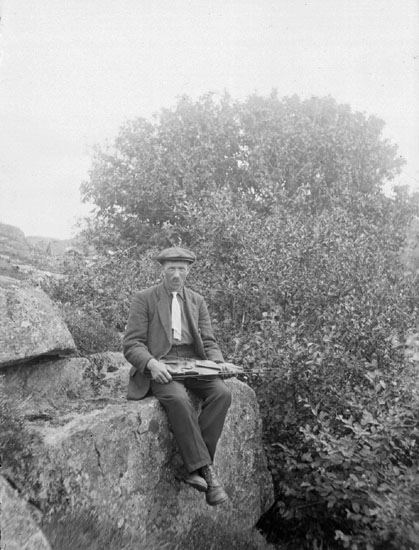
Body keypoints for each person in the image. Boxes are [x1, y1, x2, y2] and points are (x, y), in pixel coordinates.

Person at [123, 246, 233, 506]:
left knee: (222, 393)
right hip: (162, 364)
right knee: (178, 399)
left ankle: (191, 466)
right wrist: (151, 363)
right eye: (171, 268)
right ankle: (206, 472)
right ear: (162, 270)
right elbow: (132, 344)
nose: (176, 274)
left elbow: (208, 341)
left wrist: (218, 364)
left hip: (193, 363)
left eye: (181, 269)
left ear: (188, 271)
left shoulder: (197, 300)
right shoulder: (144, 299)